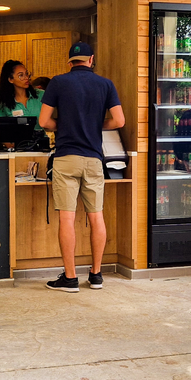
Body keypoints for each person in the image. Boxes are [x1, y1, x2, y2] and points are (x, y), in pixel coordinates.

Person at [38, 42, 125, 292]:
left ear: (70, 62)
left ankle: (70, 278)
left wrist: (63, 125)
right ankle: (96, 275)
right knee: (96, 217)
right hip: (94, 160)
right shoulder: (106, 84)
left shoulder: (58, 82)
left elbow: (43, 121)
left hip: (66, 158)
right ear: (91, 59)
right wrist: (96, 125)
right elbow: (119, 121)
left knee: (67, 218)